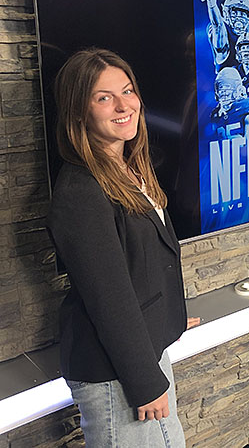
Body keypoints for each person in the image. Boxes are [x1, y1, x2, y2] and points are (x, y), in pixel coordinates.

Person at [47, 48, 198, 447]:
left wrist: (172, 318)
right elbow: (108, 297)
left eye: (127, 91)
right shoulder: (80, 190)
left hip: (143, 353)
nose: (122, 105)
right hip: (117, 372)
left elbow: (144, 265)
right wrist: (145, 382)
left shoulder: (129, 168)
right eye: (103, 97)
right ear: (79, 112)